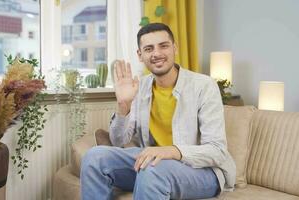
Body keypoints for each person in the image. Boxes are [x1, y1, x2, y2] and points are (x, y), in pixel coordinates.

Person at [80, 23, 236, 200]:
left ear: (174, 48)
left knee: (152, 169)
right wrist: (124, 105)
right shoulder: (140, 87)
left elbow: (216, 151)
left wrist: (170, 151)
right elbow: (118, 141)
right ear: (140, 55)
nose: (157, 53)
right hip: (154, 163)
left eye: (163, 46)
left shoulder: (204, 86)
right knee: (94, 157)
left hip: (202, 171)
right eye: (148, 48)